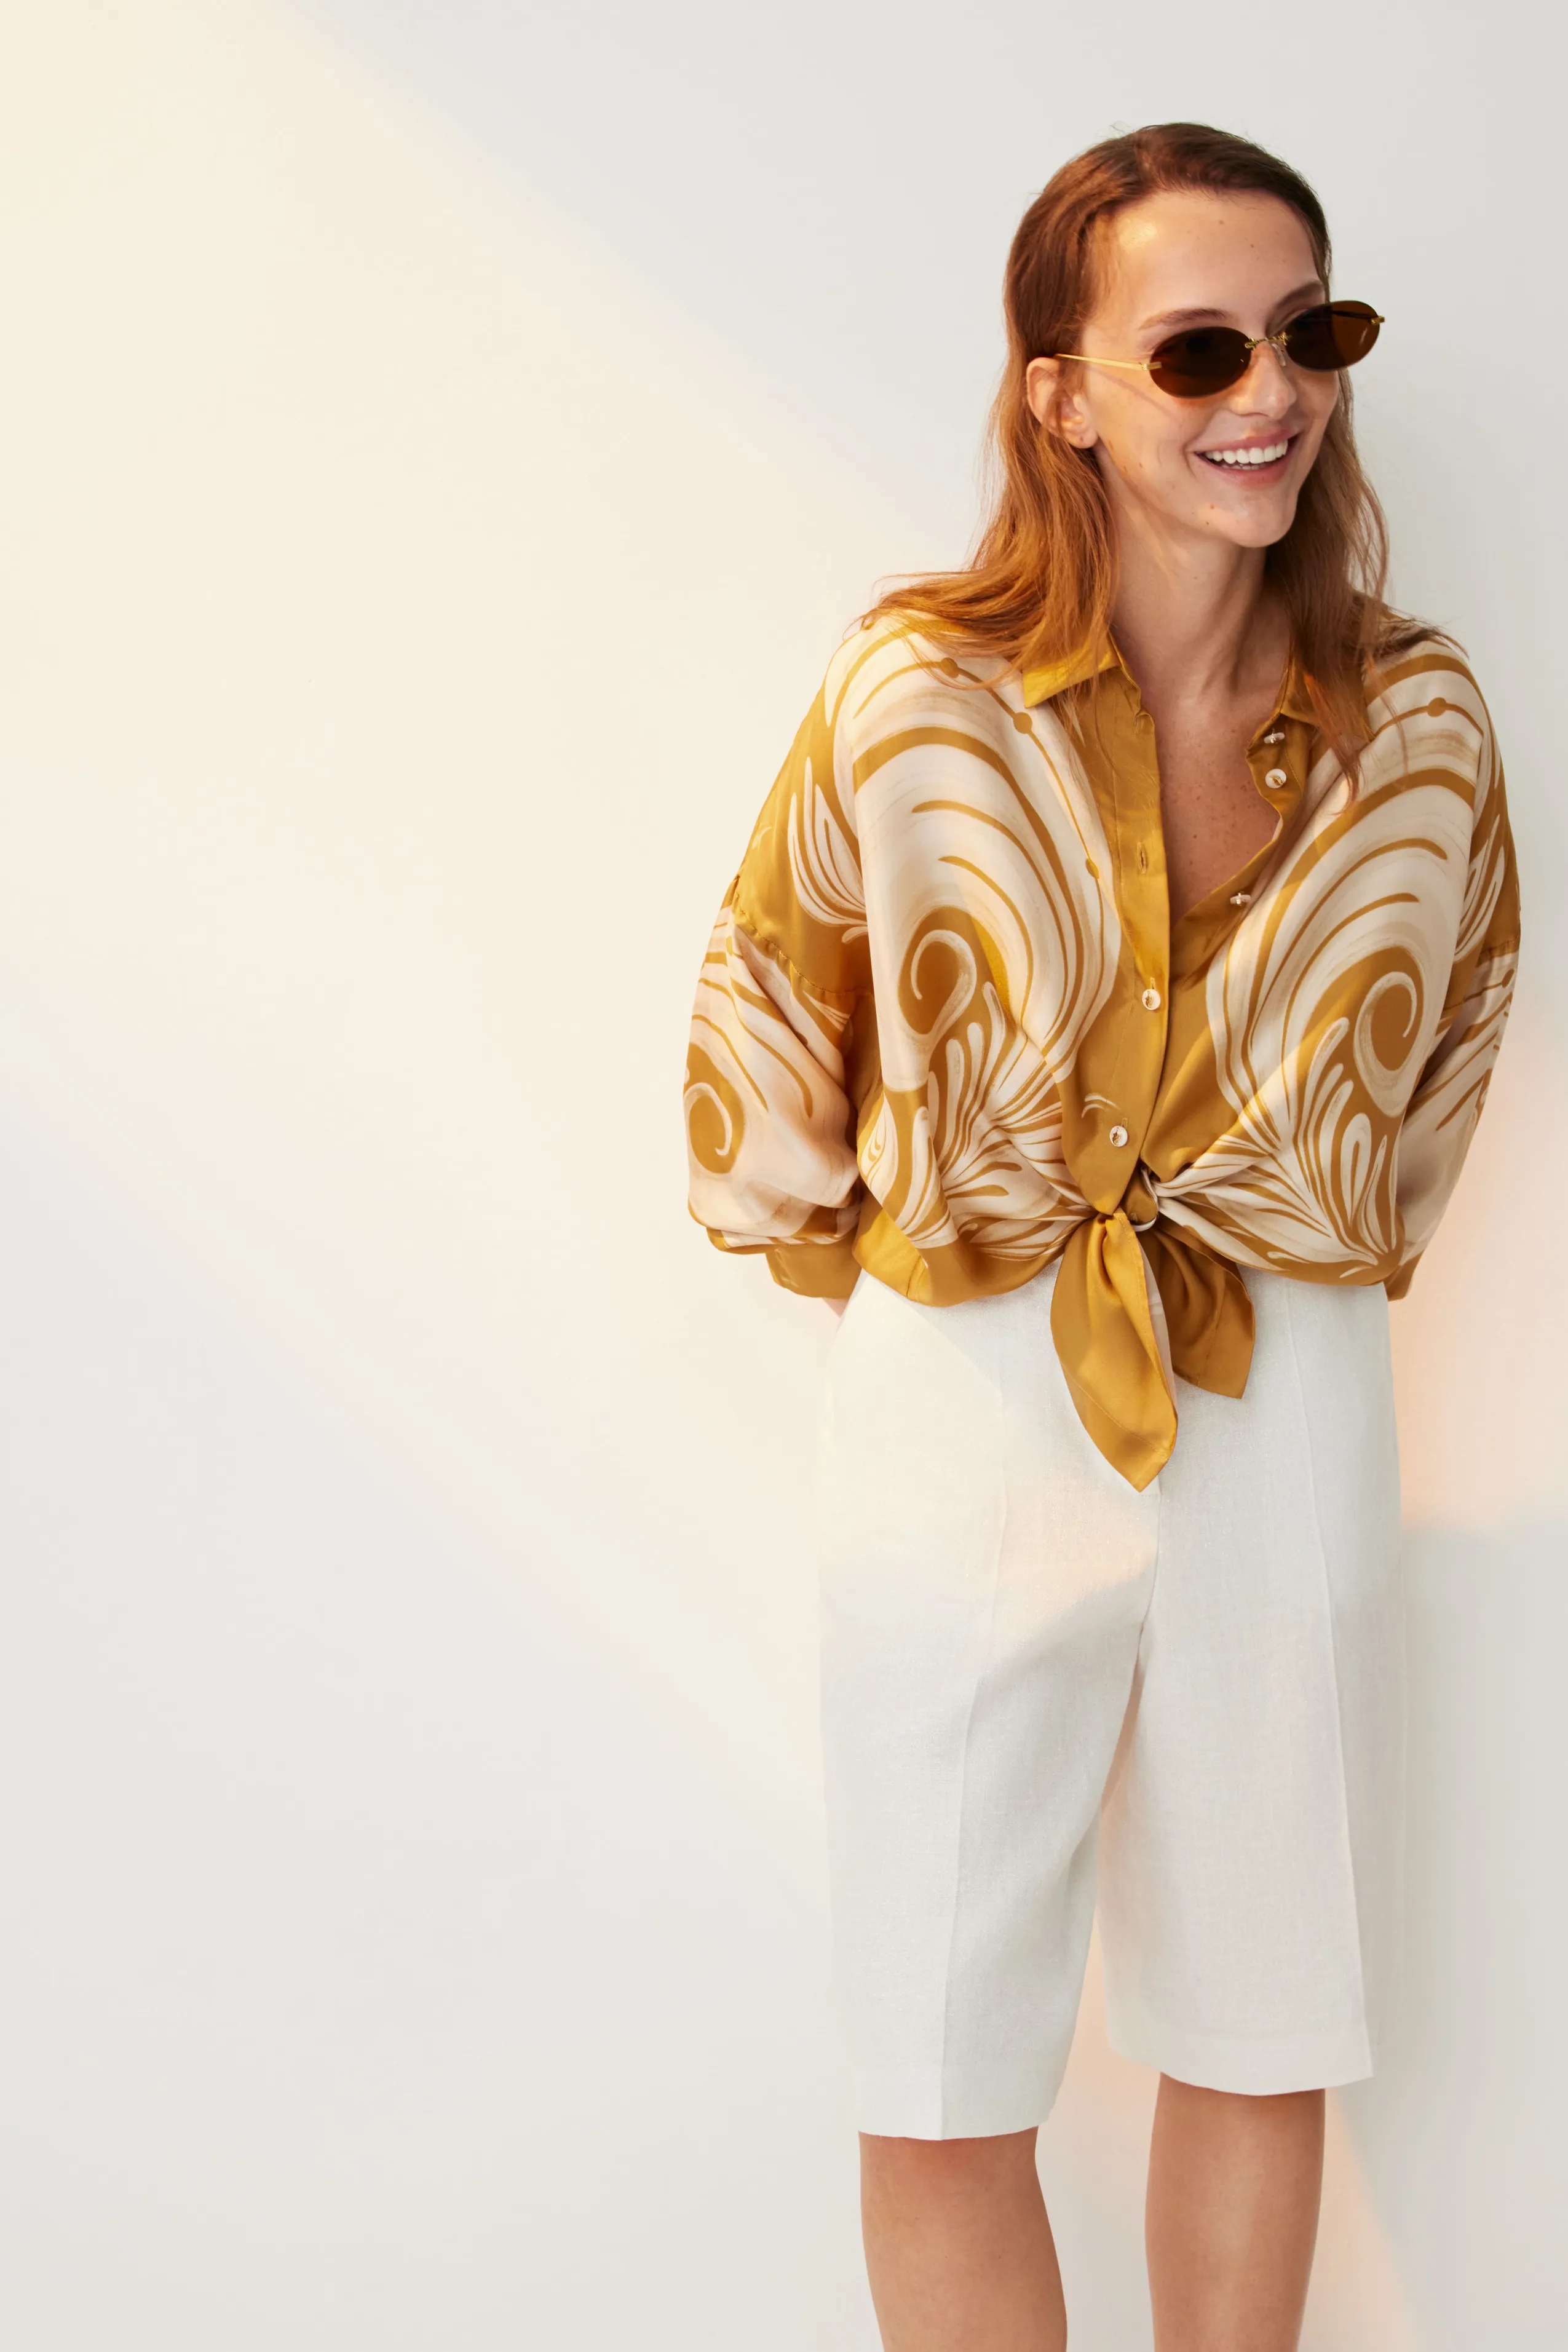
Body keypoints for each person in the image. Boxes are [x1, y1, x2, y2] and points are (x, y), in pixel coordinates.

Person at [682, 121, 1518, 2352]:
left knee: (1264, 2019)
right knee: (938, 2047)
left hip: (1285, 1395)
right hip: (963, 1393)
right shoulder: (913, 689)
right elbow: (764, 1018)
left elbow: (1446, 1050)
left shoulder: (1418, 718)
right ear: (1060, 391)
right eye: (1200, 349)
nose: (1274, 392)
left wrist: (1294, 1248)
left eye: (1310, 333)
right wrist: (932, 1275)